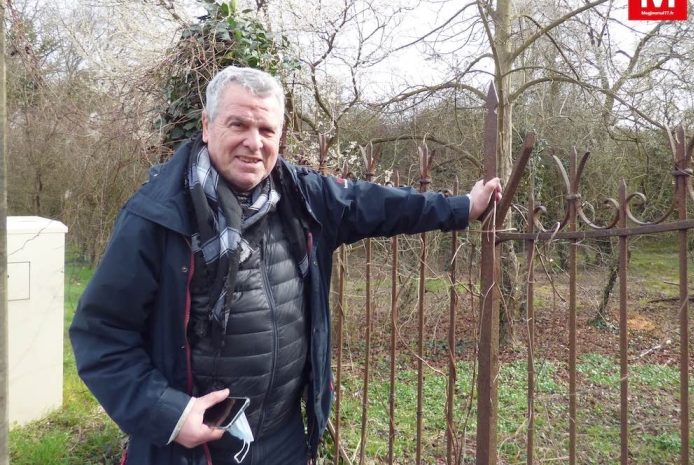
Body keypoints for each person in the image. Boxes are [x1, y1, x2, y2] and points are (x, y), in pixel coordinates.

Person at [69, 65, 502, 465]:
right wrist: (169, 414)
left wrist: (463, 207)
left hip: (282, 440)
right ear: (206, 126)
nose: (253, 142)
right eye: (237, 124)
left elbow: (379, 205)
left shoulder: (301, 197)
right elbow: (102, 335)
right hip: (193, 449)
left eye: (266, 129)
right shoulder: (157, 217)